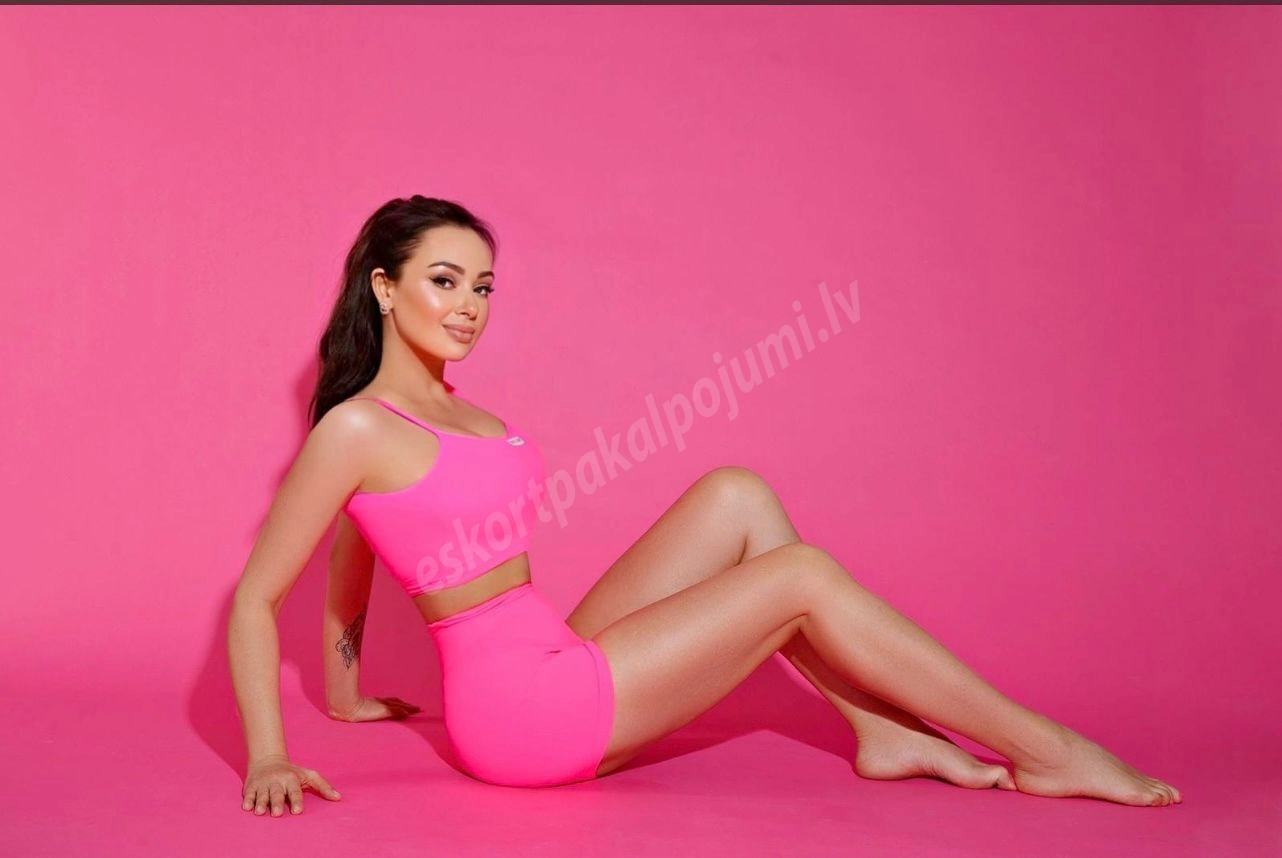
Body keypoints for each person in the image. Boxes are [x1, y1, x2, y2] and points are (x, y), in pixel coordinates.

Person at [227, 195, 1182, 818]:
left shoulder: (464, 412)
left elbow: (356, 559)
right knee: (799, 577)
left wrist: (347, 695)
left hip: (550, 652)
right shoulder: (356, 428)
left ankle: (879, 728)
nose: (469, 305)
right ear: (385, 288)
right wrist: (269, 755)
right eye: (444, 282)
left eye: (482, 286)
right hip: (520, 717)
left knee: (737, 494)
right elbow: (257, 598)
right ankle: (1044, 750)